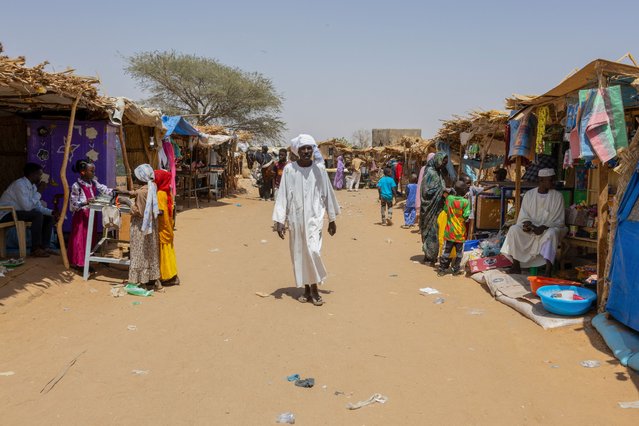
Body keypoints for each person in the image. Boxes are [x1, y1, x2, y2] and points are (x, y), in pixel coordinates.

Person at [273, 134, 340, 306]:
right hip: (295, 219)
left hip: (314, 217)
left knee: (313, 251)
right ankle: (307, 289)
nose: (306, 151)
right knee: (300, 253)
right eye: (303, 148)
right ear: (297, 151)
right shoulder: (289, 170)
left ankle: (315, 289)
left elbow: (328, 194)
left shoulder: (320, 169)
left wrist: (332, 218)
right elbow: (282, 196)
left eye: (309, 148)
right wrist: (280, 220)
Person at [501, 168, 567, 276]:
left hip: (548, 229)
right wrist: (529, 225)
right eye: (550, 180)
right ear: (541, 180)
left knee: (552, 233)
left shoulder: (557, 196)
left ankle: (548, 271)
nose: (553, 182)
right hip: (531, 229)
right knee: (514, 230)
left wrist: (543, 227)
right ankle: (516, 265)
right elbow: (524, 215)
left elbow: (559, 220)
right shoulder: (529, 195)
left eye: (553, 180)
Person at [0, 163, 57, 257]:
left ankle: (45, 247)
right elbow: (27, 207)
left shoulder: (33, 187)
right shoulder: (19, 185)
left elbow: (37, 207)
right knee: (37, 215)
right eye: (39, 174)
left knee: (48, 218)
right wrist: (39, 192)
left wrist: (52, 212)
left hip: (18, 212)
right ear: (33, 174)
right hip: (6, 213)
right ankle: (35, 249)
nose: (41, 177)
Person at [67, 159, 113, 271]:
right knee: (80, 239)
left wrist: (116, 192)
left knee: (89, 238)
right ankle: (79, 264)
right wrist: (85, 202)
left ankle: (86, 259)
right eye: (91, 171)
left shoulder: (93, 182)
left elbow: (104, 189)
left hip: (91, 216)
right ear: (83, 172)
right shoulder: (76, 186)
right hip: (81, 217)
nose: (94, 173)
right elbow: (73, 206)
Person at [125, 164, 161, 289]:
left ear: (141, 178)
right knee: (150, 251)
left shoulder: (141, 193)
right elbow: (143, 194)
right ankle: (156, 281)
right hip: (152, 225)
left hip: (141, 226)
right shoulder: (153, 186)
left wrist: (128, 202)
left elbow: (139, 212)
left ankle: (142, 282)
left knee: (139, 252)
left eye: (136, 177)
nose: (135, 180)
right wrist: (130, 192)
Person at [419, 152, 449, 265]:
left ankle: (431, 256)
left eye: (445, 163)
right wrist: (442, 191)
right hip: (429, 208)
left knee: (436, 231)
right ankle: (429, 256)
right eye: (443, 162)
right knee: (431, 232)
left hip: (437, 208)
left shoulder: (438, 172)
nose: (443, 165)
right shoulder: (431, 173)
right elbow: (426, 192)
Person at [438, 180, 471, 276]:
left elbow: (445, 209)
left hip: (449, 231)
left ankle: (442, 270)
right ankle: (456, 269)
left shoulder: (449, 199)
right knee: (459, 253)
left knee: (446, 251)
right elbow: (466, 216)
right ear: (464, 191)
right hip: (460, 232)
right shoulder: (465, 202)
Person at [154, 169, 179, 286]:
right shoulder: (166, 192)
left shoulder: (160, 194)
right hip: (167, 227)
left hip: (163, 228)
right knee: (168, 252)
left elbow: (160, 213)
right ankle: (172, 274)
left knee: (164, 253)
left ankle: (167, 276)